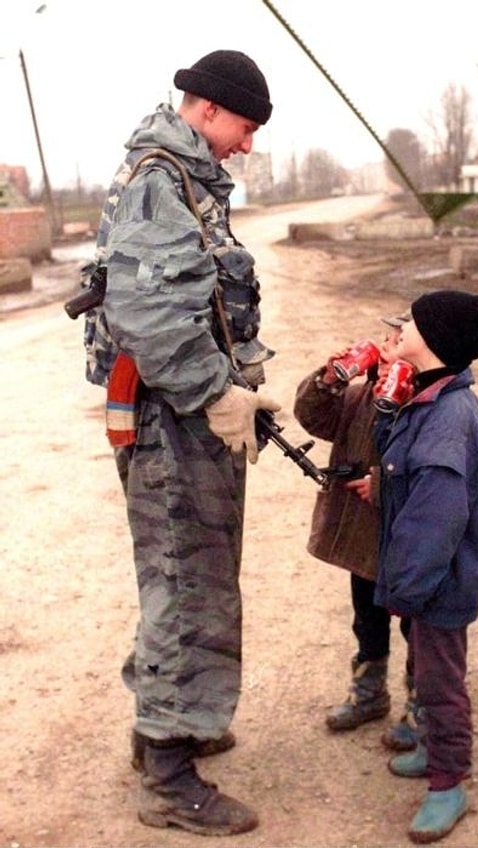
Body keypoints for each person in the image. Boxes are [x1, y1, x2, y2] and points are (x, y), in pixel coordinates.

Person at [85, 51, 281, 836]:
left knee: (198, 575)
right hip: (172, 424)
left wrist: (242, 385)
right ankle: (168, 773)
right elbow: (153, 320)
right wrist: (218, 394)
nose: (248, 144)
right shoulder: (161, 184)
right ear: (207, 111)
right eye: (245, 126)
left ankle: (171, 723)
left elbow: (210, 305)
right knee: (183, 582)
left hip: (190, 419)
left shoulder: (189, 182)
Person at [373, 290, 478, 844]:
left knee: (440, 682)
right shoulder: (427, 396)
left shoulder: (449, 422)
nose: (401, 324)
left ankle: (449, 782)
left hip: (439, 584)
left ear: (438, 343)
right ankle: (430, 748)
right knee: (426, 668)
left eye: (413, 320)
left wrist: (406, 587)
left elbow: (436, 521)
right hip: (428, 581)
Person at [293, 330, 423, 752]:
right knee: (367, 614)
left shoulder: (426, 407)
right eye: (385, 340)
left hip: (408, 537)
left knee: (415, 621)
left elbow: (433, 470)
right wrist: (330, 379)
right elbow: (313, 418)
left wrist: (384, 486)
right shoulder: (361, 396)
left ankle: (423, 703)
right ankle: (370, 690)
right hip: (363, 535)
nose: (387, 347)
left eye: (398, 341)